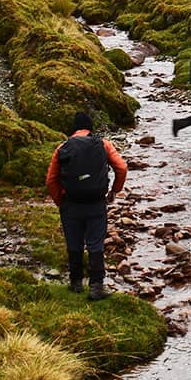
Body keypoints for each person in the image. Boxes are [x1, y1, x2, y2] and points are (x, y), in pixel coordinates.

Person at [45, 111, 127, 301]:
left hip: (71, 204)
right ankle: (97, 286)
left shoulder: (62, 148)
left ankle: (75, 283)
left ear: (73, 129)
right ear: (90, 128)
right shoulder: (103, 144)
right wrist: (114, 191)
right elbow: (121, 168)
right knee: (95, 243)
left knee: (74, 243)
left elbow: (51, 181)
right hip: (96, 203)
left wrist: (61, 202)